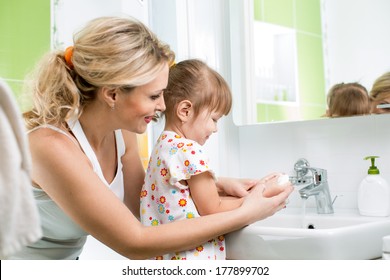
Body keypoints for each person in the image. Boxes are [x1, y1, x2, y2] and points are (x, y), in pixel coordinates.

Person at [10, 16, 293, 260]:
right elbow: (135, 242)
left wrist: (211, 185)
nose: (162, 106)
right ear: (112, 94)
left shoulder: (121, 133)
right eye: (154, 96)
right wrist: (249, 213)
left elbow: (144, 203)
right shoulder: (51, 147)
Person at [140, 59, 290, 260]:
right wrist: (256, 199)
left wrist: (234, 191)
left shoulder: (163, 146)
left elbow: (192, 201)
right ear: (185, 111)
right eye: (214, 119)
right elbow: (212, 208)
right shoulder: (190, 150)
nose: (215, 128)